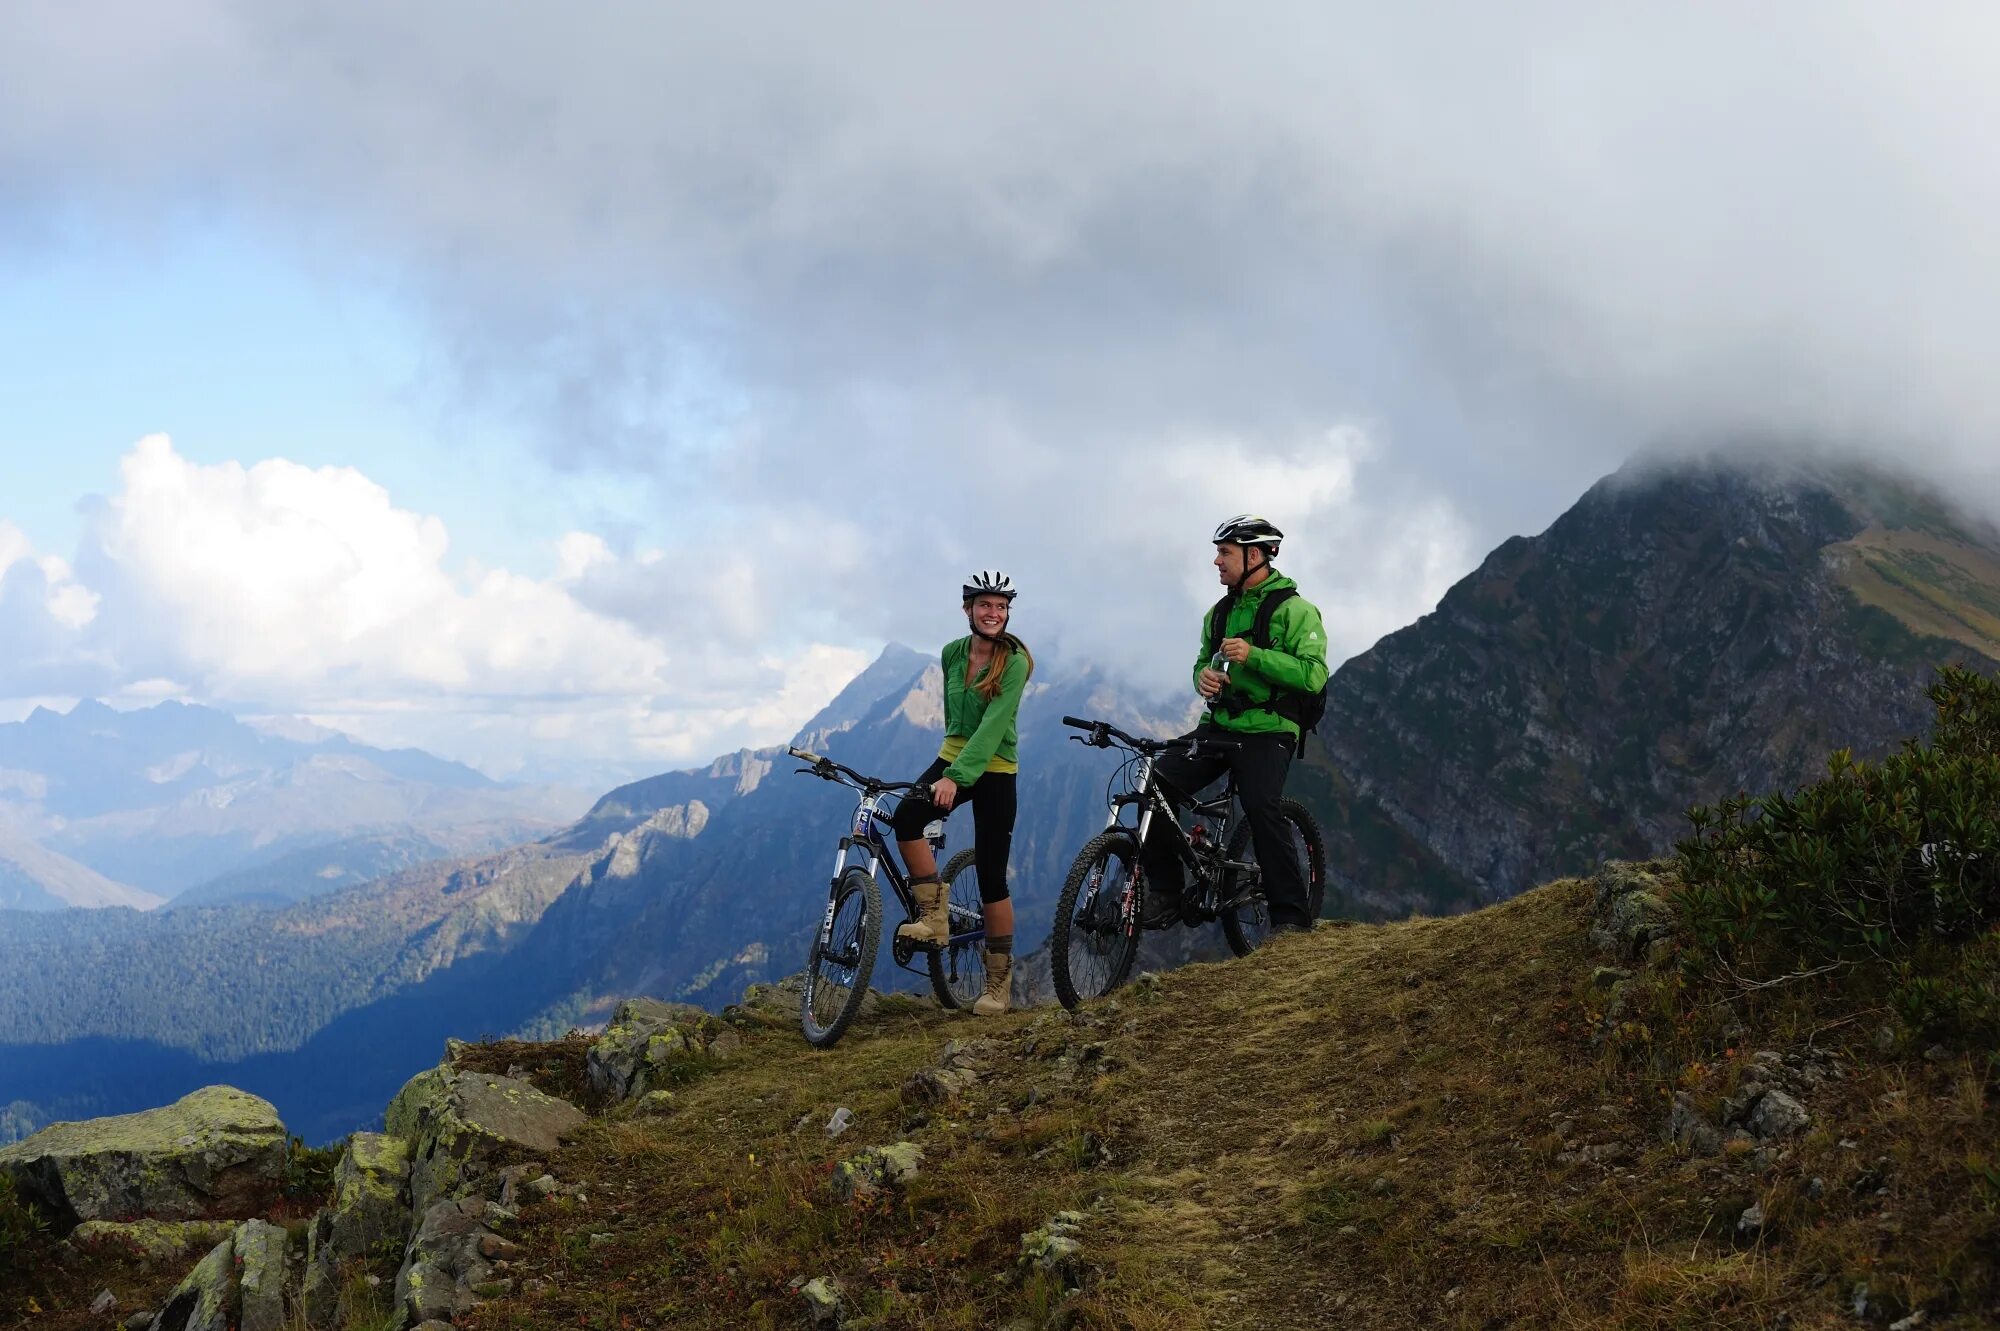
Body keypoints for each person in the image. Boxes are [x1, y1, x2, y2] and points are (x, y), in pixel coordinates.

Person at [1140, 515, 1328, 932]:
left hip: (1269, 729)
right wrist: (1201, 678)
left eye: (1224, 552)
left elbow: (1314, 675)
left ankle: (1291, 920)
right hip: (1220, 725)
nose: (1216, 562)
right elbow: (1200, 663)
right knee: (1155, 786)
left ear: (1255, 555)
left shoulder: (1296, 611)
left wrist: (1254, 656)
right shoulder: (1219, 614)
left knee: (1262, 806)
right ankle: (1167, 893)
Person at [893, 571, 1034, 1015]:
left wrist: (958, 777)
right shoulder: (952, 653)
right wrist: (948, 769)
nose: (994, 614)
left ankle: (997, 984)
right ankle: (934, 918)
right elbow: (958, 722)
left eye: (1001, 607)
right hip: (953, 758)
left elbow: (993, 727)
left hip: (995, 767)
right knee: (905, 819)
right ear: (967, 609)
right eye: (985, 605)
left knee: (992, 876)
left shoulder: (1015, 662)